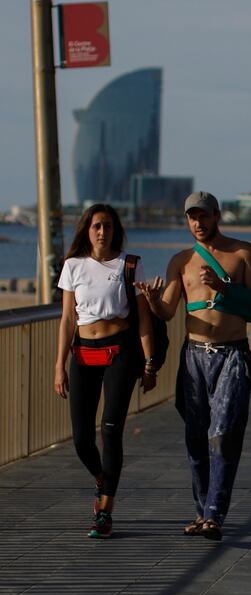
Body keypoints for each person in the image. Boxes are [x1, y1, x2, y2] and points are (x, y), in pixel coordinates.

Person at [138, 192, 251, 542]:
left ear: (217, 215)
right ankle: (201, 511)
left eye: (203, 216)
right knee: (196, 437)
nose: (198, 223)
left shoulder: (244, 253)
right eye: (192, 217)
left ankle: (214, 515)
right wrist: (150, 301)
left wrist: (224, 288)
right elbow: (167, 312)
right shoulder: (181, 260)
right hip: (194, 354)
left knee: (222, 436)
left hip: (232, 354)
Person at [54, 204, 158, 539]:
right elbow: (68, 318)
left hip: (120, 353)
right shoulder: (73, 266)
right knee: (82, 438)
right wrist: (59, 365)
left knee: (110, 428)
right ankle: (102, 477)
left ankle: (105, 509)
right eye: (97, 226)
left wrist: (149, 361)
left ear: (116, 230)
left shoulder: (130, 264)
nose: (102, 232)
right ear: (87, 229)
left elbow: (143, 318)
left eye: (108, 227)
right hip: (83, 353)